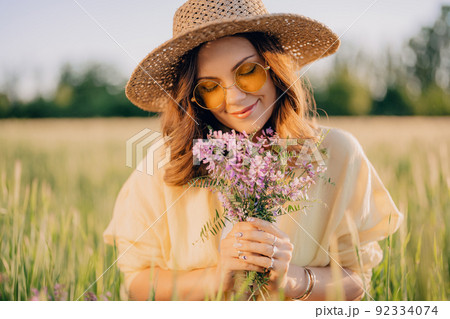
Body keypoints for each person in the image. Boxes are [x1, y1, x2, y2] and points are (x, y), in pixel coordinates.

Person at [103, 0, 404, 301]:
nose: (234, 98)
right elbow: (136, 283)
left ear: (274, 68)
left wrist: (293, 281)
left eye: (248, 71)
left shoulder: (337, 153)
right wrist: (216, 279)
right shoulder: (164, 164)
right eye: (209, 86)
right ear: (193, 97)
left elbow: (357, 277)